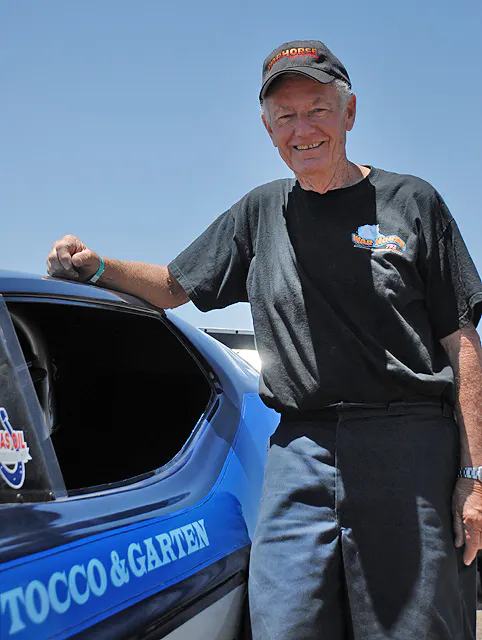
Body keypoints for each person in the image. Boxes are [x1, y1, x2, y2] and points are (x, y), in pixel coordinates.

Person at [47, 40, 482, 639]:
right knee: (283, 621)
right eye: (286, 116)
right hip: (299, 451)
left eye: (318, 110)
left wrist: (473, 475)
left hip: (407, 446)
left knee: (412, 629)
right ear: (268, 129)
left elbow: (462, 342)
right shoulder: (261, 212)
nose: (303, 129)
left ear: (350, 112)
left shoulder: (413, 202)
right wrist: (97, 268)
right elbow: (174, 285)